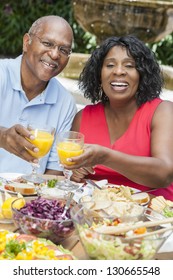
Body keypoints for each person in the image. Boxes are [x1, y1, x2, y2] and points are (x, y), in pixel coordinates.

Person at [66, 35, 173, 201]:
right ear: (99, 74)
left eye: (129, 66)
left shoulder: (162, 111)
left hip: (152, 218)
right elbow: (71, 176)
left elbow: (164, 174)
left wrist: (106, 157)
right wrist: (75, 173)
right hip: (96, 215)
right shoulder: (83, 117)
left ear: (142, 74)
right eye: (110, 65)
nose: (118, 71)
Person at [0, 15, 77, 175]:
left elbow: (54, 172)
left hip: (27, 196)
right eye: (47, 43)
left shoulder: (65, 103)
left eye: (64, 50)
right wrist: (3, 136)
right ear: (26, 42)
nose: (55, 55)